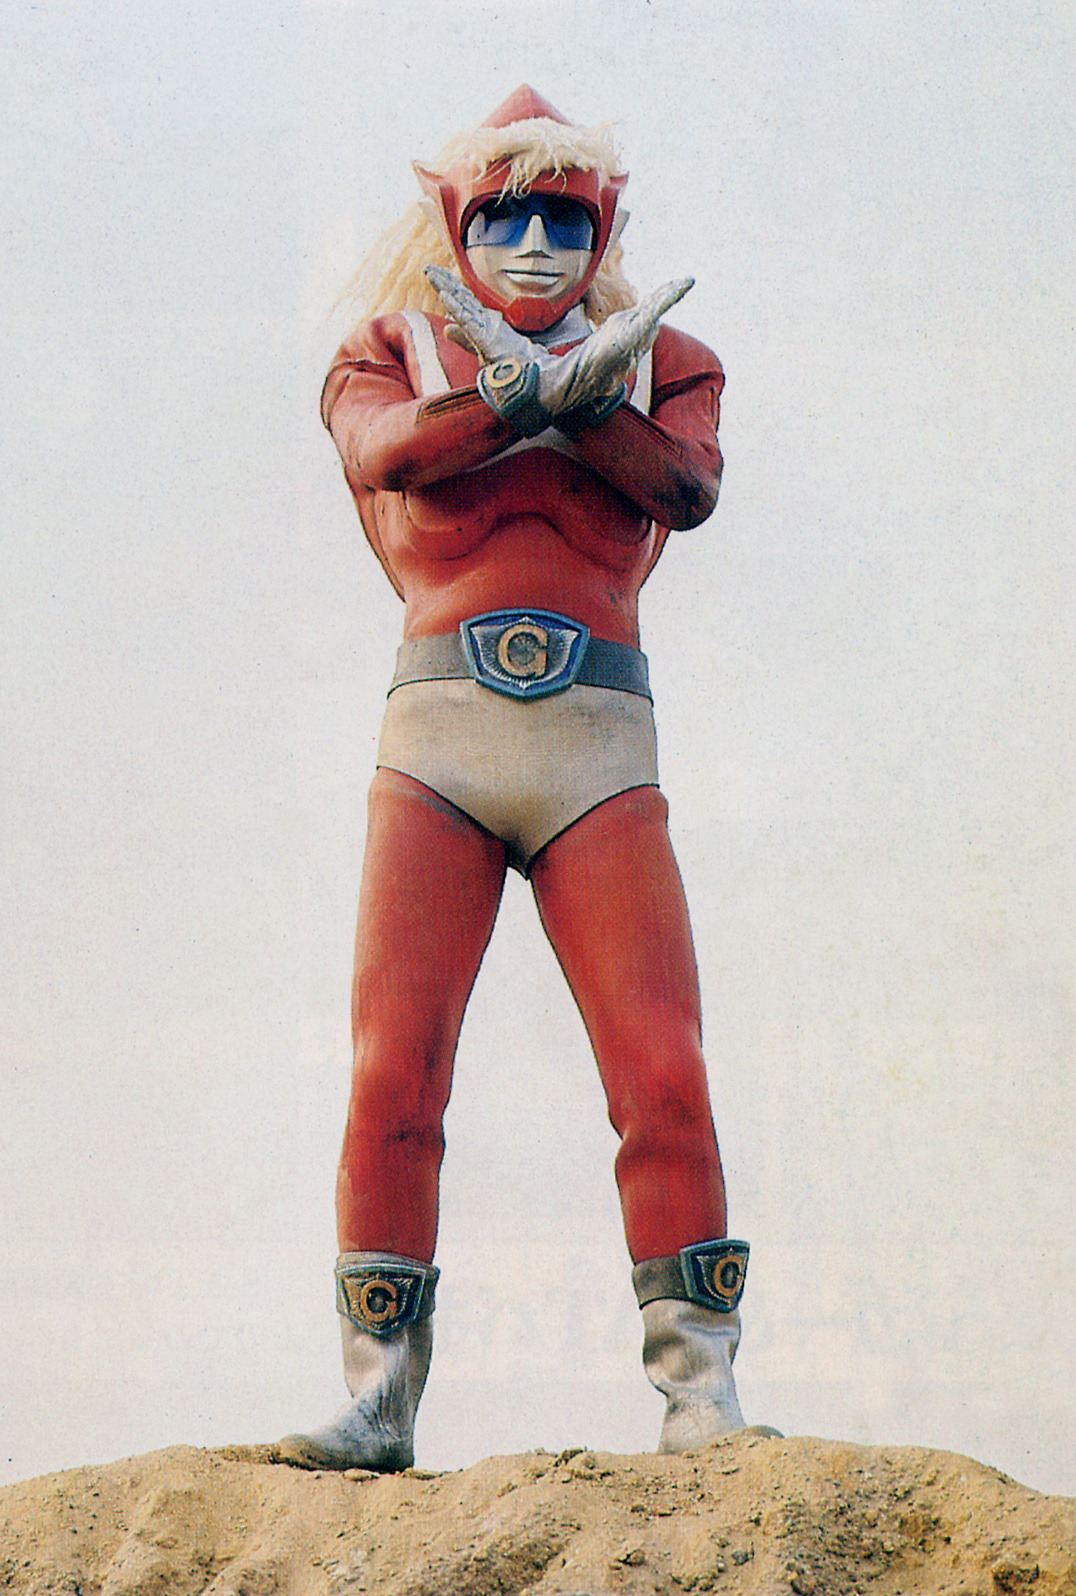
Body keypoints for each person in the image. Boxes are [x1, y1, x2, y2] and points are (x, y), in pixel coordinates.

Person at [274, 85, 761, 1472]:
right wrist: (515, 392)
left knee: (661, 1066)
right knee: (395, 1068)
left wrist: (573, 395)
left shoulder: (669, 359)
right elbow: (387, 451)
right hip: (440, 741)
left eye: (563, 216)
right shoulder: (388, 348)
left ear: (604, 222)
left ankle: (701, 1391)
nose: (535, 244)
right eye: (504, 216)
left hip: (598, 747)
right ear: (453, 221)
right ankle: (378, 1395)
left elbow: (686, 489)